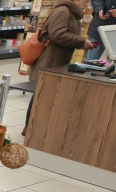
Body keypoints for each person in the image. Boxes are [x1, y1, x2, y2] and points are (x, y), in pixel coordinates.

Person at [23, 0, 94, 136]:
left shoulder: (71, 13)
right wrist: (81, 41)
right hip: (48, 59)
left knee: (43, 93)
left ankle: (33, 127)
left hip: (56, 60)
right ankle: (29, 127)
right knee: (40, 93)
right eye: (85, 1)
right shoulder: (63, 11)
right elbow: (57, 35)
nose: (87, 3)